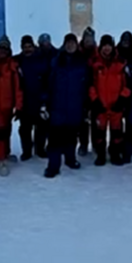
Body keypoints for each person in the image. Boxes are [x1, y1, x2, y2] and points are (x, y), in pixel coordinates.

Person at [42, 33, 86, 178]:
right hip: (57, 107)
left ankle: (70, 159)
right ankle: (53, 166)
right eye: (68, 43)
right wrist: (44, 102)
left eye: (73, 43)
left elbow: (87, 85)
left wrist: (86, 106)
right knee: (55, 139)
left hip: (75, 107)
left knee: (71, 137)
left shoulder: (82, 62)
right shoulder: (55, 61)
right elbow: (47, 84)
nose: (70, 46)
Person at [0, 36, 24, 176]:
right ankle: (0, 159)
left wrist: (18, 106)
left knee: (7, 130)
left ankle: (6, 153)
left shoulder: (13, 65)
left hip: (8, 104)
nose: (3, 51)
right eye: (1, 48)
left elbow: (18, 87)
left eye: (5, 49)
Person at [89, 35, 131, 166]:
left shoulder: (121, 63)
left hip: (116, 104)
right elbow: (90, 84)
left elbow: (128, 84)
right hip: (100, 104)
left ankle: (115, 154)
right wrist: (95, 100)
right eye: (104, 46)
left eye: (109, 46)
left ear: (113, 47)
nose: (107, 48)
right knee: (99, 132)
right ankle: (100, 155)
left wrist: (122, 99)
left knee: (117, 132)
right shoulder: (94, 63)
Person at [15, 35, 51, 160]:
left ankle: (40, 149)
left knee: (41, 128)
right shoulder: (18, 61)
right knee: (25, 129)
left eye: (29, 46)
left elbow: (47, 80)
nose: (27, 49)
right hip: (25, 101)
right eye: (25, 47)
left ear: (34, 46)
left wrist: (45, 99)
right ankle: (27, 151)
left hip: (39, 99)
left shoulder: (42, 59)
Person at [78, 26, 98, 156]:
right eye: (87, 39)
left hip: (96, 90)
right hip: (81, 90)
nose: (88, 42)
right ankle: (83, 144)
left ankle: (96, 144)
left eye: (90, 39)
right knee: (82, 120)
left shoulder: (98, 53)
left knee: (95, 119)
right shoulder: (78, 53)